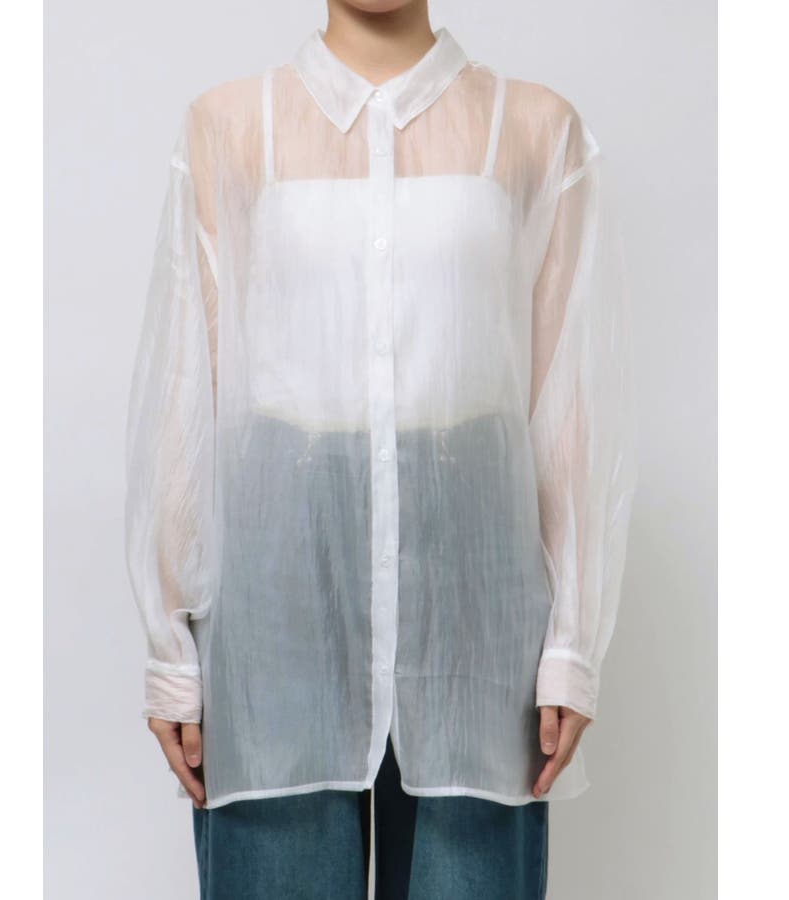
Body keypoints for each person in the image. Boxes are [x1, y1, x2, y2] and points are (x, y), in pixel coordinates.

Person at [124, 1, 638, 897]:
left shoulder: (534, 129)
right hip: (278, 616)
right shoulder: (229, 128)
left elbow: (565, 401)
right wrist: (171, 645)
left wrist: (571, 643)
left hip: (476, 626)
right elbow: (186, 393)